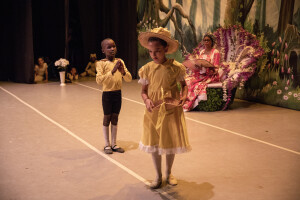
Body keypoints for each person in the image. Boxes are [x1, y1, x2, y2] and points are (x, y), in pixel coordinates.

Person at [138, 27, 191, 189]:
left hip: (170, 109)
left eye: (158, 51)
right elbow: (144, 91)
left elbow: (184, 86)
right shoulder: (147, 69)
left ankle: (168, 173)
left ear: (166, 49)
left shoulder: (176, 67)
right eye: (151, 52)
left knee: (169, 141)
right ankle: (158, 175)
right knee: (154, 142)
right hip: (153, 110)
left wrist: (183, 96)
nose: (154, 55)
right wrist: (146, 100)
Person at [96, 38, 132, 154]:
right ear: (103, 50)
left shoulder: (120, 61)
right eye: (109, 47)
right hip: (107, 94)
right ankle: (107, 145)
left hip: (118, 93)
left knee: (115, 118)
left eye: (114, 46)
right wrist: (112, 71)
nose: (112, 49)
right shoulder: (101, 63)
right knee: (107, 118)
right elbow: (99, 80)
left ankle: (114, 144)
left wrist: (123, 72)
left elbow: (129, 79)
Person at [183, 33, 220, 111]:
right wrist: (196, 66)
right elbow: (199, 62)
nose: (206, 42)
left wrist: (208, 69)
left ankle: (190, 104)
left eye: (208, 40)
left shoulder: (215, 52)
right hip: (200, 74)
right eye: (205, 40)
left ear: (212, 42)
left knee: (197, 85)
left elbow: (216, 67)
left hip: (211, 75)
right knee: (187, 80)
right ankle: (184, 101)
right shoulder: (202, 51)